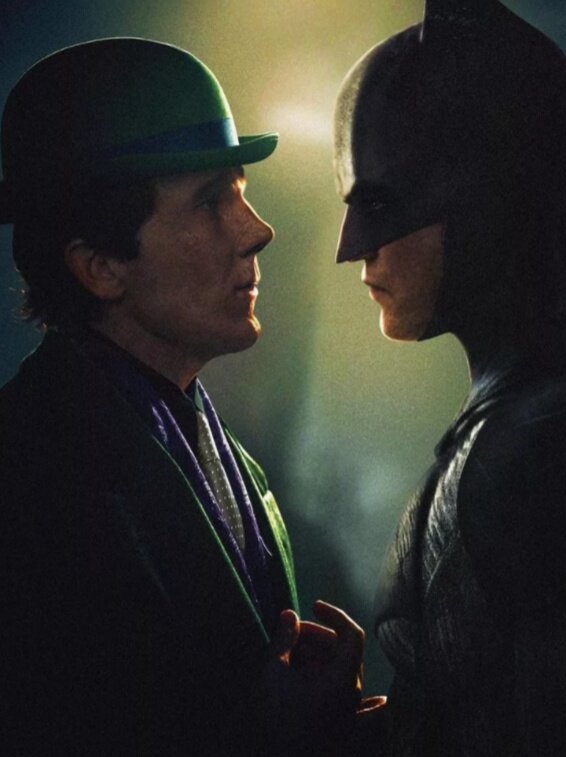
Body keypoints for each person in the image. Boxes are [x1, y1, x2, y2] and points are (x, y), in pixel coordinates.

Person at [0, 38, 366, 755]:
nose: (257, 230)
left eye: (240, 190)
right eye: (210, 201)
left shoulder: (220, 455)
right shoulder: (27, 474)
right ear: (101, 267)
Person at [333, 0, 566, 754]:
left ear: (488, 193)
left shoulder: (555, 442)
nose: (354, 247)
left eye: (382, 203)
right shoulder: (541, 418)